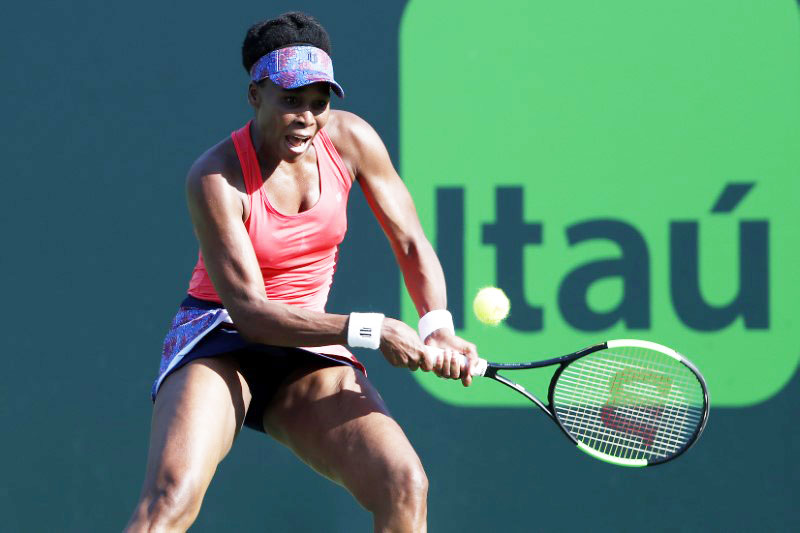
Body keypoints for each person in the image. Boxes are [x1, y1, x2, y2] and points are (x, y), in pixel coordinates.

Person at [125, 12, 478, 533]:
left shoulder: (351, 140)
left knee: (404, 483)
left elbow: (409, 241)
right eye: (290, 101)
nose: (306, 119)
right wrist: (371, 328)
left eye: (318, 103)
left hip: (308, 348)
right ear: (255, 96)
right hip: (219, 336)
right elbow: (251, 315)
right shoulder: (215, 176)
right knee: (169, 499)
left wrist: (438, 327)